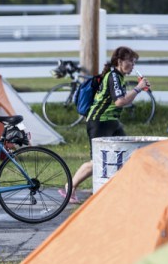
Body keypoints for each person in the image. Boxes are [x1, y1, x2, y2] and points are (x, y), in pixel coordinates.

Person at [59, 46, 149, 204]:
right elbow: (120, 101)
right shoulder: (113, 76)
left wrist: (137, 90)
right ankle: (70, 187)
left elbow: (122, 101)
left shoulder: (119, 77)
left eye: (134, 62)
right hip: (100, 122)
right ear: (120, 61)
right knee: (97, 161)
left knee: (129, 153)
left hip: (111, 122)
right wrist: (138, 88)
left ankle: (126, 188)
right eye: (131, 61)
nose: (133, 65)